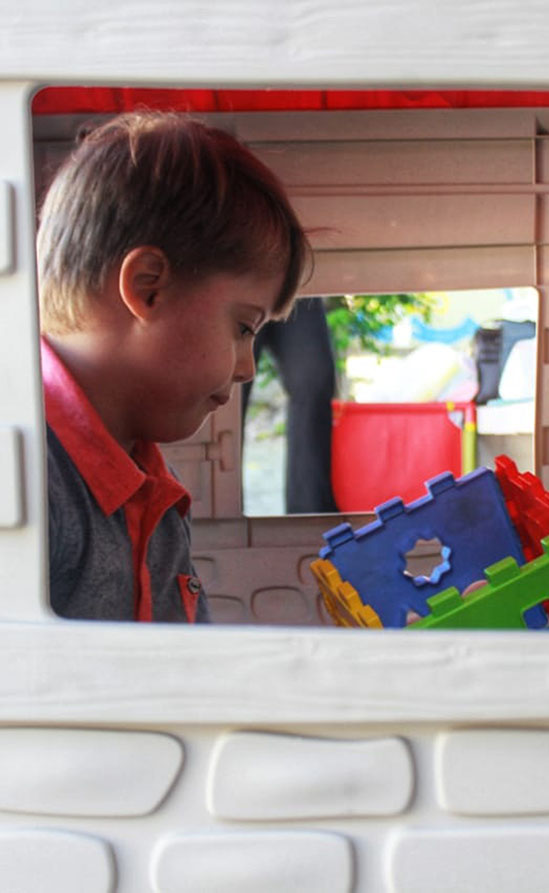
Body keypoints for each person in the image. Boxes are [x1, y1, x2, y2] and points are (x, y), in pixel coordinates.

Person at [36, 112, 310, 622]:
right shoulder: (29, 478)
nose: (248, 367)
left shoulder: (151, 487)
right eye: (244, 328)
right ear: (148, 287)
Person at [240, 296, 339, 514]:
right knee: (228, 392)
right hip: (234, 278)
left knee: (314, 379)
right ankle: (216, 520)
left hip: (298, 283)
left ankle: (311, 516)